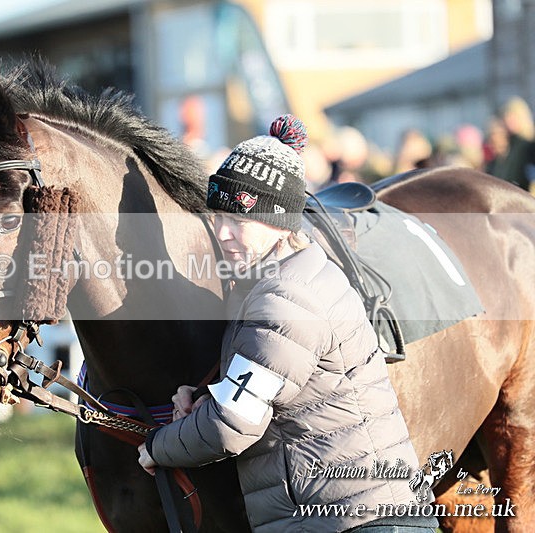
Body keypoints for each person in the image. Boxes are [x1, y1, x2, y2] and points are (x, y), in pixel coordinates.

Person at [137, 115, 437, 532]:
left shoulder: (286, 298)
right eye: (218, 217)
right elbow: (271, 387)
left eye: (239, 221)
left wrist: (157, 447)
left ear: (280, 225)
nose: (222, 233)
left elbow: (232, 425)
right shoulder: (281, 280)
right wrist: (208, 395)